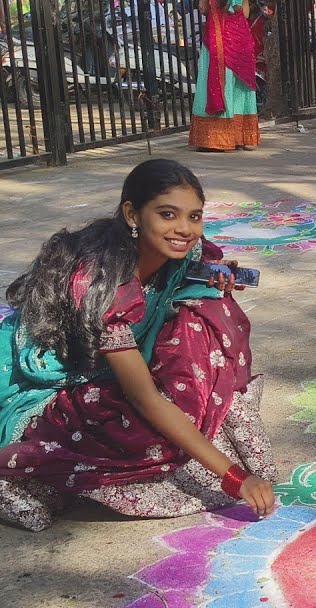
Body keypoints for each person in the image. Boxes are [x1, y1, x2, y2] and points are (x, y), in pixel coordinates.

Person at [0, 159, 279, 532]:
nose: (184, 229)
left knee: (208, 310)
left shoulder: (181, 252)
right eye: (168, 215)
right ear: (132, 214)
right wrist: (234, 477)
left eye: (194, 217)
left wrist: (210, 280)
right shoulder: (102, 286)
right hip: (53, 377)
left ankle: (194, 430)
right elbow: (145, 399)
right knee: (136, 428)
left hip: (118, 364)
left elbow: (195, 268)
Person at [189, 0, 259, 151]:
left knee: (220, 82)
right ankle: (240, 137)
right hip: (240, 37)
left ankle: (215, 139)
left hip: (219, 35)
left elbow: (203, 8)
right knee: (238, 83)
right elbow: (245, 13)